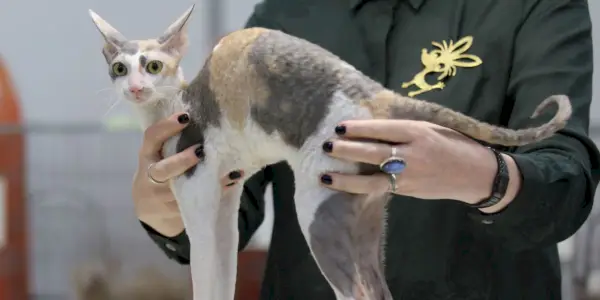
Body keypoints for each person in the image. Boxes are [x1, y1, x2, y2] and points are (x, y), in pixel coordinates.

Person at [134, 0, 600, 298]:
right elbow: (236, 202)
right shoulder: (285, 13)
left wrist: (483, 175)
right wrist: (168, 204)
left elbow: (565, 185)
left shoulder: (529, 7)